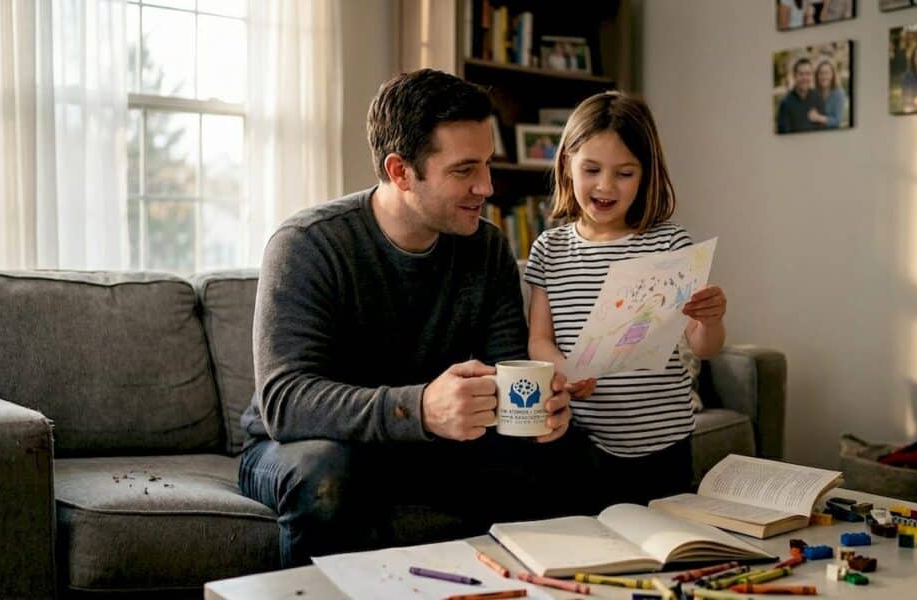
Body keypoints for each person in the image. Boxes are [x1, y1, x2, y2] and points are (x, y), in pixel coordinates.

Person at [238, 69, 581, 568]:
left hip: (430, 450)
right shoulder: (307, 244)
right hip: (302, 448)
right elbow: (286, 401)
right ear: (400, 171)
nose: (486, 186)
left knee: (565, 452)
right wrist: (420, 407)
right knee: (327, 472)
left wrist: (538, 410)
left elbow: (507, 367)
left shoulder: (486, 248)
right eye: (465, 170)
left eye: (486, 164)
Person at [524, 91, 727, 510]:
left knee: (666, 549)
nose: (605, 186)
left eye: (624, 173)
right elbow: (539, 340)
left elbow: (704, 348)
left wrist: (712, 320)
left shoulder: (670, 243)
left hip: (664, 441)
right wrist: (567, 371)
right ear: (567, 166)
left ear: (646, 175)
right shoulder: (550, 248)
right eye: (591, 169)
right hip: (583, 441)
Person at [776, 58, 824, 133]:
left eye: (808, 74)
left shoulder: (818, 98)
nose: (805, 78)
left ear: (811, 76)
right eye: (801, 74)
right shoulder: (785, 104)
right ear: (795, 76)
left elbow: (824, 130)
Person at [808, 58, 846, 128]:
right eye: (821, 73)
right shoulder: (813, 93)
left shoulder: (839, 93)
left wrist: (818, 118)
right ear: (817, 76)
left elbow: (837, 120)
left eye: (827, 73)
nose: (824, 77)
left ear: (832, 75)